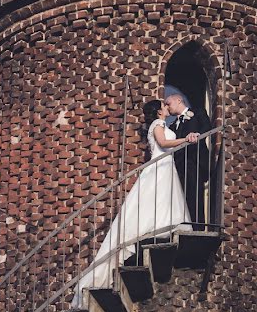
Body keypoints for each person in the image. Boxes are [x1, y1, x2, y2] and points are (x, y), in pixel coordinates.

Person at [73, 100, 197, 300]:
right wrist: (186, 140)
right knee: (156, 201)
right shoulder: (158, 125)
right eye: (164, 106)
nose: (167, 107)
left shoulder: (161, 124)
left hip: (166, 167)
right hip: (160, 167)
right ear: (159, 111)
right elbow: (164, 144)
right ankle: (155, 232)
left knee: (162, 201)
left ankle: (162, 229)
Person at [164, 93, 212, 228]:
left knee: (195, 196)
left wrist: (197, 134)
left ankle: (198, 228)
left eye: (168, 103)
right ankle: (184, 226)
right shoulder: (172, 126)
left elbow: (207, 126)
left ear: (179, 100)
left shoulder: (197, 112)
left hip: (194, 161)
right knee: (180, 198)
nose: (167, 107)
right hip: (178, 165)